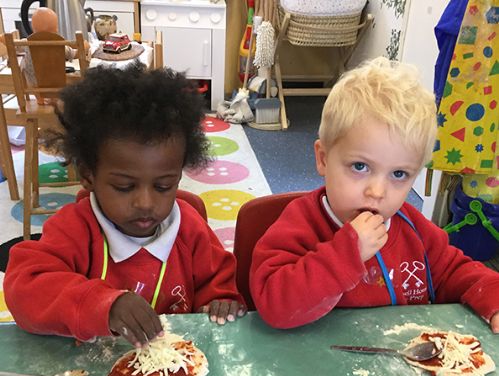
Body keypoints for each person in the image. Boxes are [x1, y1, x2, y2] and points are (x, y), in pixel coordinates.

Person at [5, 63, 246, 347]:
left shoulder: (191, 230)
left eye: (163, 186)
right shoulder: (73, 229)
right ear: (88, 175)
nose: (145, 203)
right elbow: (23, 289)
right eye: (124, 187)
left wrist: (220, 302)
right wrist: (101, 304)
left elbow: (218, 285)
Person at [249, 57, 499, 331]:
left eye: (399, 174)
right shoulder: (299, 225)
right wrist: (347, 254)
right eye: (360, 166)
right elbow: (274, 305)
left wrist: (492, 296)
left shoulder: (414, 229)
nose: (377, 192)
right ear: (323, 159)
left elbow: (455, 271)